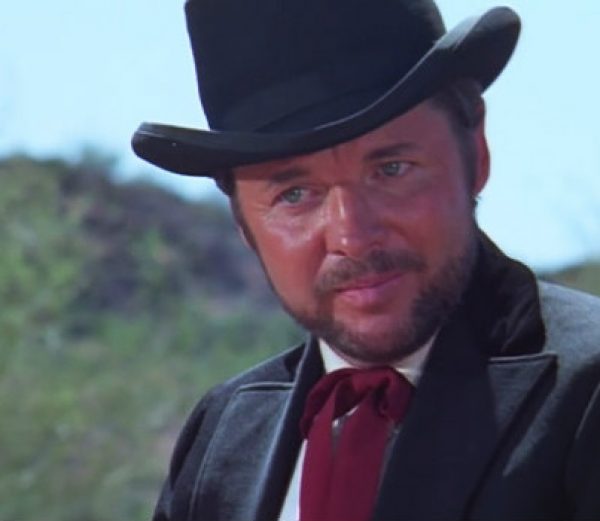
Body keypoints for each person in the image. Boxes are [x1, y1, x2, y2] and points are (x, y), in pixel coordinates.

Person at [132, 0, 600, 520]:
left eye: (392, 169)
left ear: (477, 151)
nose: (352, 237)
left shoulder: (588, 389)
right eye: (294, 195)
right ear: (243, 222)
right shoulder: (221, 437)